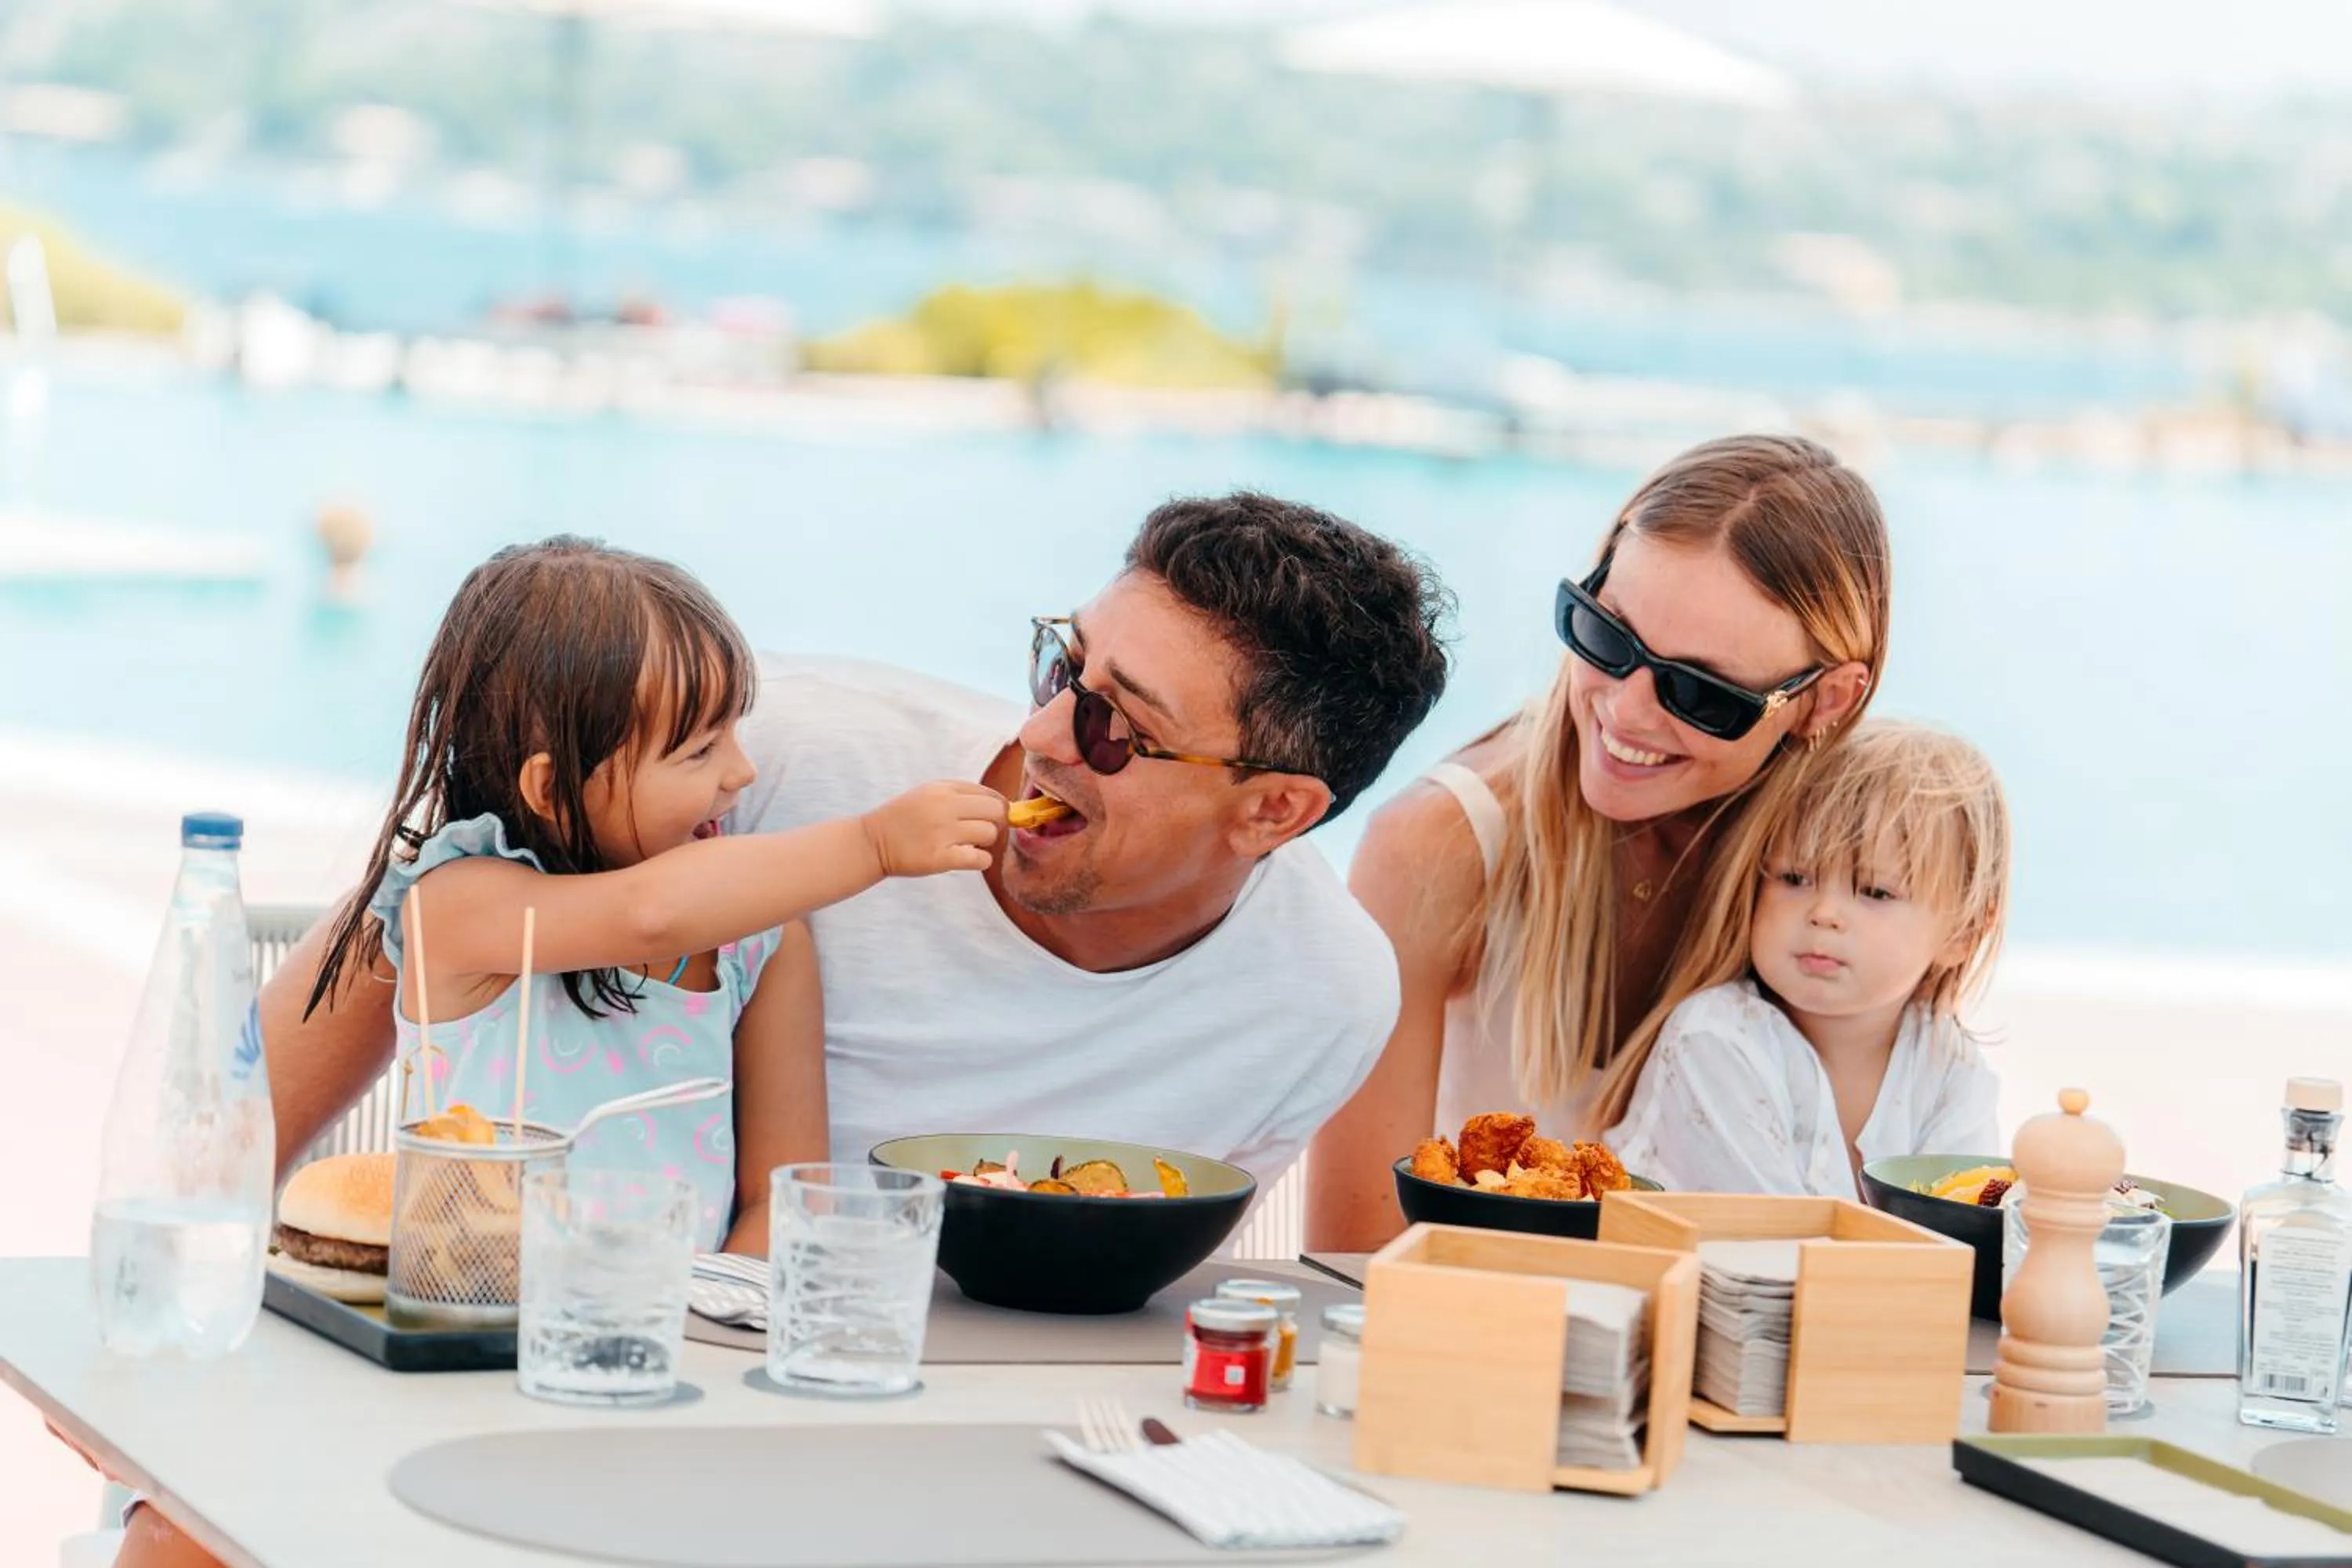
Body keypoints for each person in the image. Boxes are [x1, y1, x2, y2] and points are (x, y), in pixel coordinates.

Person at [306, 536, 1004, 1251]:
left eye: (735, 734)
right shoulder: (460, 907)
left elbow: (782, 1199)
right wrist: (872, 845)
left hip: (676, 1335)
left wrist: (708, 1324)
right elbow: (648, 913)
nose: (743, 773)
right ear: (550, 788)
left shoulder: (760, 945)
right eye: (700, 750)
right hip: (469, 1326)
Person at [1307, 434, 1889, 1249]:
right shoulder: (1442, 843)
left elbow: (1873, 1191)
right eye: (1606, 636)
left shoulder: (1852, 869)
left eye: (1698, 690)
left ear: (1826, 698)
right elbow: (1357, 1251)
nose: (1625, 711)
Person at [1602, 720, 2011, 1196]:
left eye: (1875, 892)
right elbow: (1775, 1240)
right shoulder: (1715, 1037)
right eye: (1795, 879)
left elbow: (1964, 1228)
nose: (1824, 914)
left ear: (1963, 932)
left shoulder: (1948, 1064)